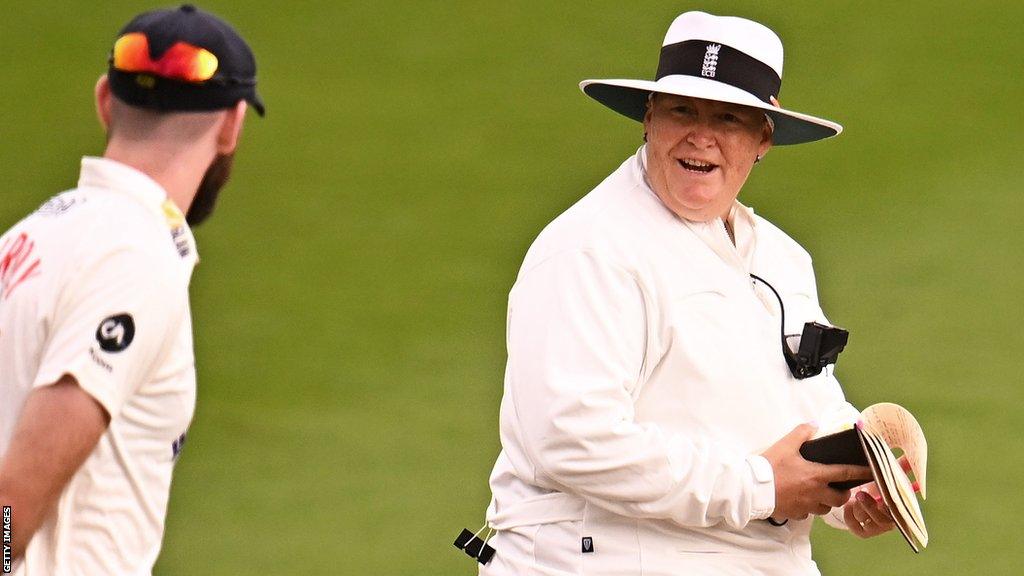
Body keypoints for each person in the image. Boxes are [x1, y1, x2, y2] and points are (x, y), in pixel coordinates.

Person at [480, 11, 895, 576]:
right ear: (648, 119)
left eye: (728, 117)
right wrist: (761, 486)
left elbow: (803, 404)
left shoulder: (780, 257)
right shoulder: (589, 251)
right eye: (682, 110)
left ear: (763, 139)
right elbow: (573, 442)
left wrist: (854, 486)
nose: (701, 135)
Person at [0, 5, 264, 574]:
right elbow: (11, 507)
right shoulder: (134, 259)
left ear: (104, 101)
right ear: (230, 125)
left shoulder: (26, 240)